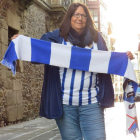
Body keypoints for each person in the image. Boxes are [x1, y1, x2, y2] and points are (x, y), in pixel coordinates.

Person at [11, 3, 134, 140]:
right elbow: (37, 55)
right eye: (76, 15)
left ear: (87, 19)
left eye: (83, 15)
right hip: (65, 105)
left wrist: (124, 57)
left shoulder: (96, 39)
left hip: (92, 103)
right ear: (69, 17)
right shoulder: (55, 38)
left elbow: (107, 61)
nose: (80, 18)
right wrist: (21, 43)